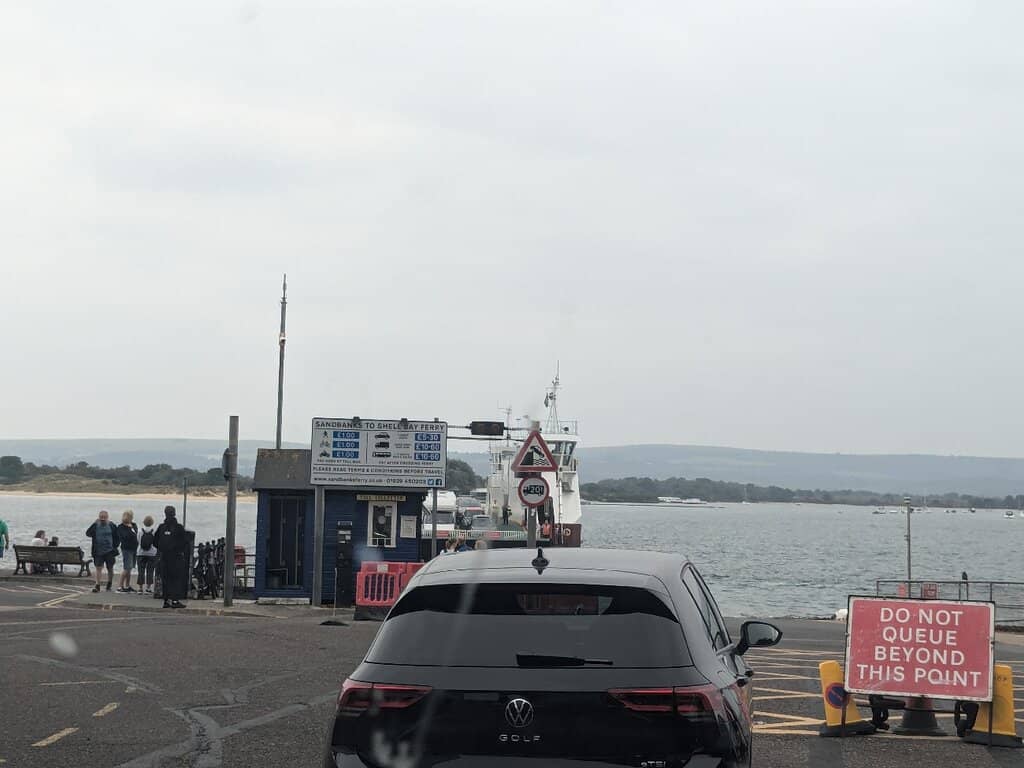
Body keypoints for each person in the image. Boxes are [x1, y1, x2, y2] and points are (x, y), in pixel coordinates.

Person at [154, 506, 189, 609]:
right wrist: (179, 550)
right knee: (176, 579)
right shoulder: (178, 527)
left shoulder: (161, 527)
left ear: (165, 513)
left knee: (166, 579)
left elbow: (155, 541)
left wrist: (162, 549)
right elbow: (185, 541)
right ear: (174, 513)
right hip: (176, 557)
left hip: (164, 557)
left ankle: (166, 600)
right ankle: (175, 600)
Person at [86, 510, 119, 593]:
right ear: (98, 517)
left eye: (104, 517)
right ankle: (97, 585)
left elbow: (117, 536)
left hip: (110, 551)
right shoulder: (96, 525)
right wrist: (93, 523)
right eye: (101, 517)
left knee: (110, 568)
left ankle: (109, 583)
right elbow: (88, 533)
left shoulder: (111, 525)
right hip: (98, 551)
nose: (103, 519)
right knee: (98, 568)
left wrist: (115, 546)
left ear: (107, 517)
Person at [116, 510, 139, 593]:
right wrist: (129, 529)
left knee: (130, 567)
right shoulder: (121, 527)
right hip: (126, 549)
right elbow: (124, 537)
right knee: (127, 567)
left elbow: (136, 534)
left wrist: (131, 528)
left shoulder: (134, 525)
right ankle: (120, 586)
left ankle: (127, 585)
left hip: (134, 549)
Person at [136, 515, 158, 594]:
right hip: (152, 553)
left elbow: (138, 540)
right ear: (152, 523)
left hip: (141, 553)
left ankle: (140, 588)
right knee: (150, 570)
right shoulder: (154, 531)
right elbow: (156, 542)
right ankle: (148, 588)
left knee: (141, 570)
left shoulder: (140, 531)